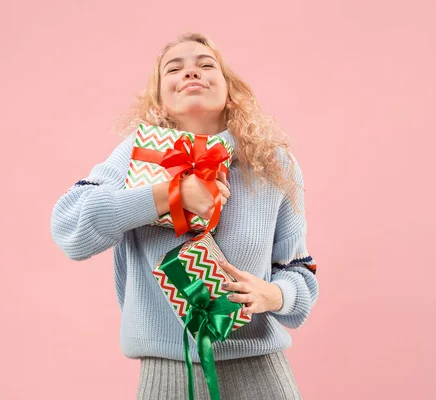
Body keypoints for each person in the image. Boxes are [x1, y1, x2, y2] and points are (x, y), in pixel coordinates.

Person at [50, 32, 319, 400]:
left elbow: (301, 272)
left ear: (231, 90)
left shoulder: (272, 164)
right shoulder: (136, 157)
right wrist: (168, 194)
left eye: (206, 65)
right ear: (159, 98)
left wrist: (273, 294)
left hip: (262, 373)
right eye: (173, 69)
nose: (190, 73)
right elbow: (69, 229)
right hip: (168, 378)